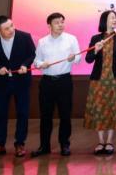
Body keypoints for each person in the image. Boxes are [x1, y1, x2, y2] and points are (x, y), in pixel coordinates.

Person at [0, 15, 36, 158]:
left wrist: (25, 65)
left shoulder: (25, 37)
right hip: (3, 83)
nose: (11, 30)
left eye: (12, 26)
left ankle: (20, 144)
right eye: (6, 28)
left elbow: (32, 54)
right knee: (1, 114)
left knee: (22, 113)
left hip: (22, 81)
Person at [30, 13, 80, 158]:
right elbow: (36, 61)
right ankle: (44, 146)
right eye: (57, 22)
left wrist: (73, 58)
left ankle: (64, 145)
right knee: (46, 115)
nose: (60, 25)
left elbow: (78, 57)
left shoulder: (71, 39)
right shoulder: (42, 42)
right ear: (49, 25)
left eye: (62, 22)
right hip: (47, 82)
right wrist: (41, 64)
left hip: (64, 81)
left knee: (65, 114)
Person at [84, 10, 116, 155]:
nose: (115, 20)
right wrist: (96, 50)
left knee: (112, 109)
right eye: (112, 18)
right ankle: (100, 141)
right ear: (104, 21)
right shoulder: (96, 38)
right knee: (99, 109)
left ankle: (109, 141)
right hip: (99, 80)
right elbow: (88, 59)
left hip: (115, 80)